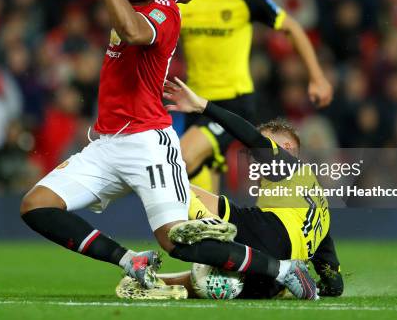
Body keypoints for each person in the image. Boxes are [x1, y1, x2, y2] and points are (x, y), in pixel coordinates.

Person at [20, 0, 317, 300]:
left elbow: (131, 31)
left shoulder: (163, 14)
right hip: (106, 144)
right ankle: (131, 261)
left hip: (149, 146)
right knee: (36, 205)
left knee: (178, 243)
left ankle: (285, 270)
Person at [116, 77, 342, 299]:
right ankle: (159, 283)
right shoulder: (320, 210)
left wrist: (203, 106)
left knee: (174, 183)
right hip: (273, 281)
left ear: (286, 146)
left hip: (274, 233)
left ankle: (207, 221)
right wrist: (325, 285)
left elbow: (248, 134)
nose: (252, 157)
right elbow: (334, 280)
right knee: (218, 281)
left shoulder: (287, 163)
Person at [178, 0, 333, 193]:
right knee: (200, 200)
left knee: (180, 159)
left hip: (232, 104)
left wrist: (317, 77)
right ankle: (216, 232)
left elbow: (292, 28)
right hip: (193, 105)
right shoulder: (181, 1)